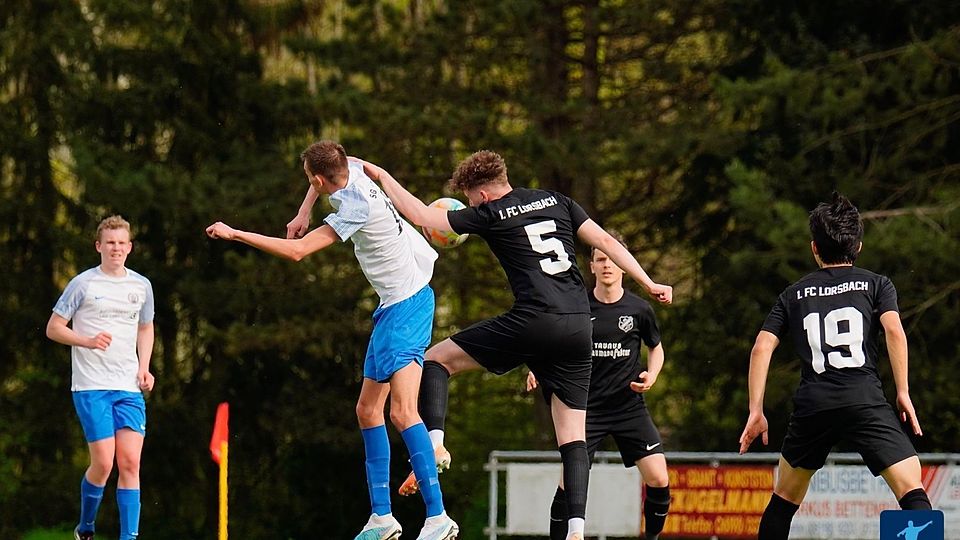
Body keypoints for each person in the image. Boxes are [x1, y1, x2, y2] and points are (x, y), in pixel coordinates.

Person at [356, 150, 672, 540]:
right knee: (573, 436)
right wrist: (649, 282)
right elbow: (606, 239)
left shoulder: (490, 212)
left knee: (436, 360)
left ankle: (435, 443)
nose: (471, 207)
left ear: (482, 195)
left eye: (470, 200)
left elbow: (420, 215)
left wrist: (381, 174)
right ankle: (576, 530)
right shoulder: (557, 200)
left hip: (535, 320)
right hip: (579, 327)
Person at [206, 141, 457, 540]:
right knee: (367, 410)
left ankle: (438, 518)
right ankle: (382, 518)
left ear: (320, 179)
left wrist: (235, 233)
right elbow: (337, 170)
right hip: (393, 305)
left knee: (402, 413)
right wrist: (303, 210)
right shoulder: (351, 166)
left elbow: (298, 251)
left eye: (310, 181)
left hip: (409, 304)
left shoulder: (355, 207)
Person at [739, 192, 931, 539]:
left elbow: (761, 347)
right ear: (858, 246)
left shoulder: (793, 294)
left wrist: (756, 409)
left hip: (814, 405)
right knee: (911, 489)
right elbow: (894, 331)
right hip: (864, 398)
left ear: (815, 248)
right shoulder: (877, 284)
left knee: (784, 499)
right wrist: (903, 391)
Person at [526, 238, 671, 540]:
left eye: (613, 259)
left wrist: (652, 374)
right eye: (601, 259)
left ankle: (652, 537)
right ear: (591, 266)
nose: (607, 265)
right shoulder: (578, 307)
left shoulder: (639, 309)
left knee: (659, 478)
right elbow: (552, 341)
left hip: (628, 407)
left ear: (624, 265)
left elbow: (656, 347)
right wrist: (536, 368)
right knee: (569, 484)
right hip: (584, 411)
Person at [46, 215, 156, 540]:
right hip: (91, 386)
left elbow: (145, 327)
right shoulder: (83, 284)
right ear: (99, 246)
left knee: (130, 463)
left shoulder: (141, 286)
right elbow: (53, 328)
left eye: (121, 243)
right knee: (105, 464)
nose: (116, 248)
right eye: (110, 243)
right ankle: (86, 527)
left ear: (130, 247)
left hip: (128, 388)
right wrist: (87, 341)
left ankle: (129, 537)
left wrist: (144, 367)